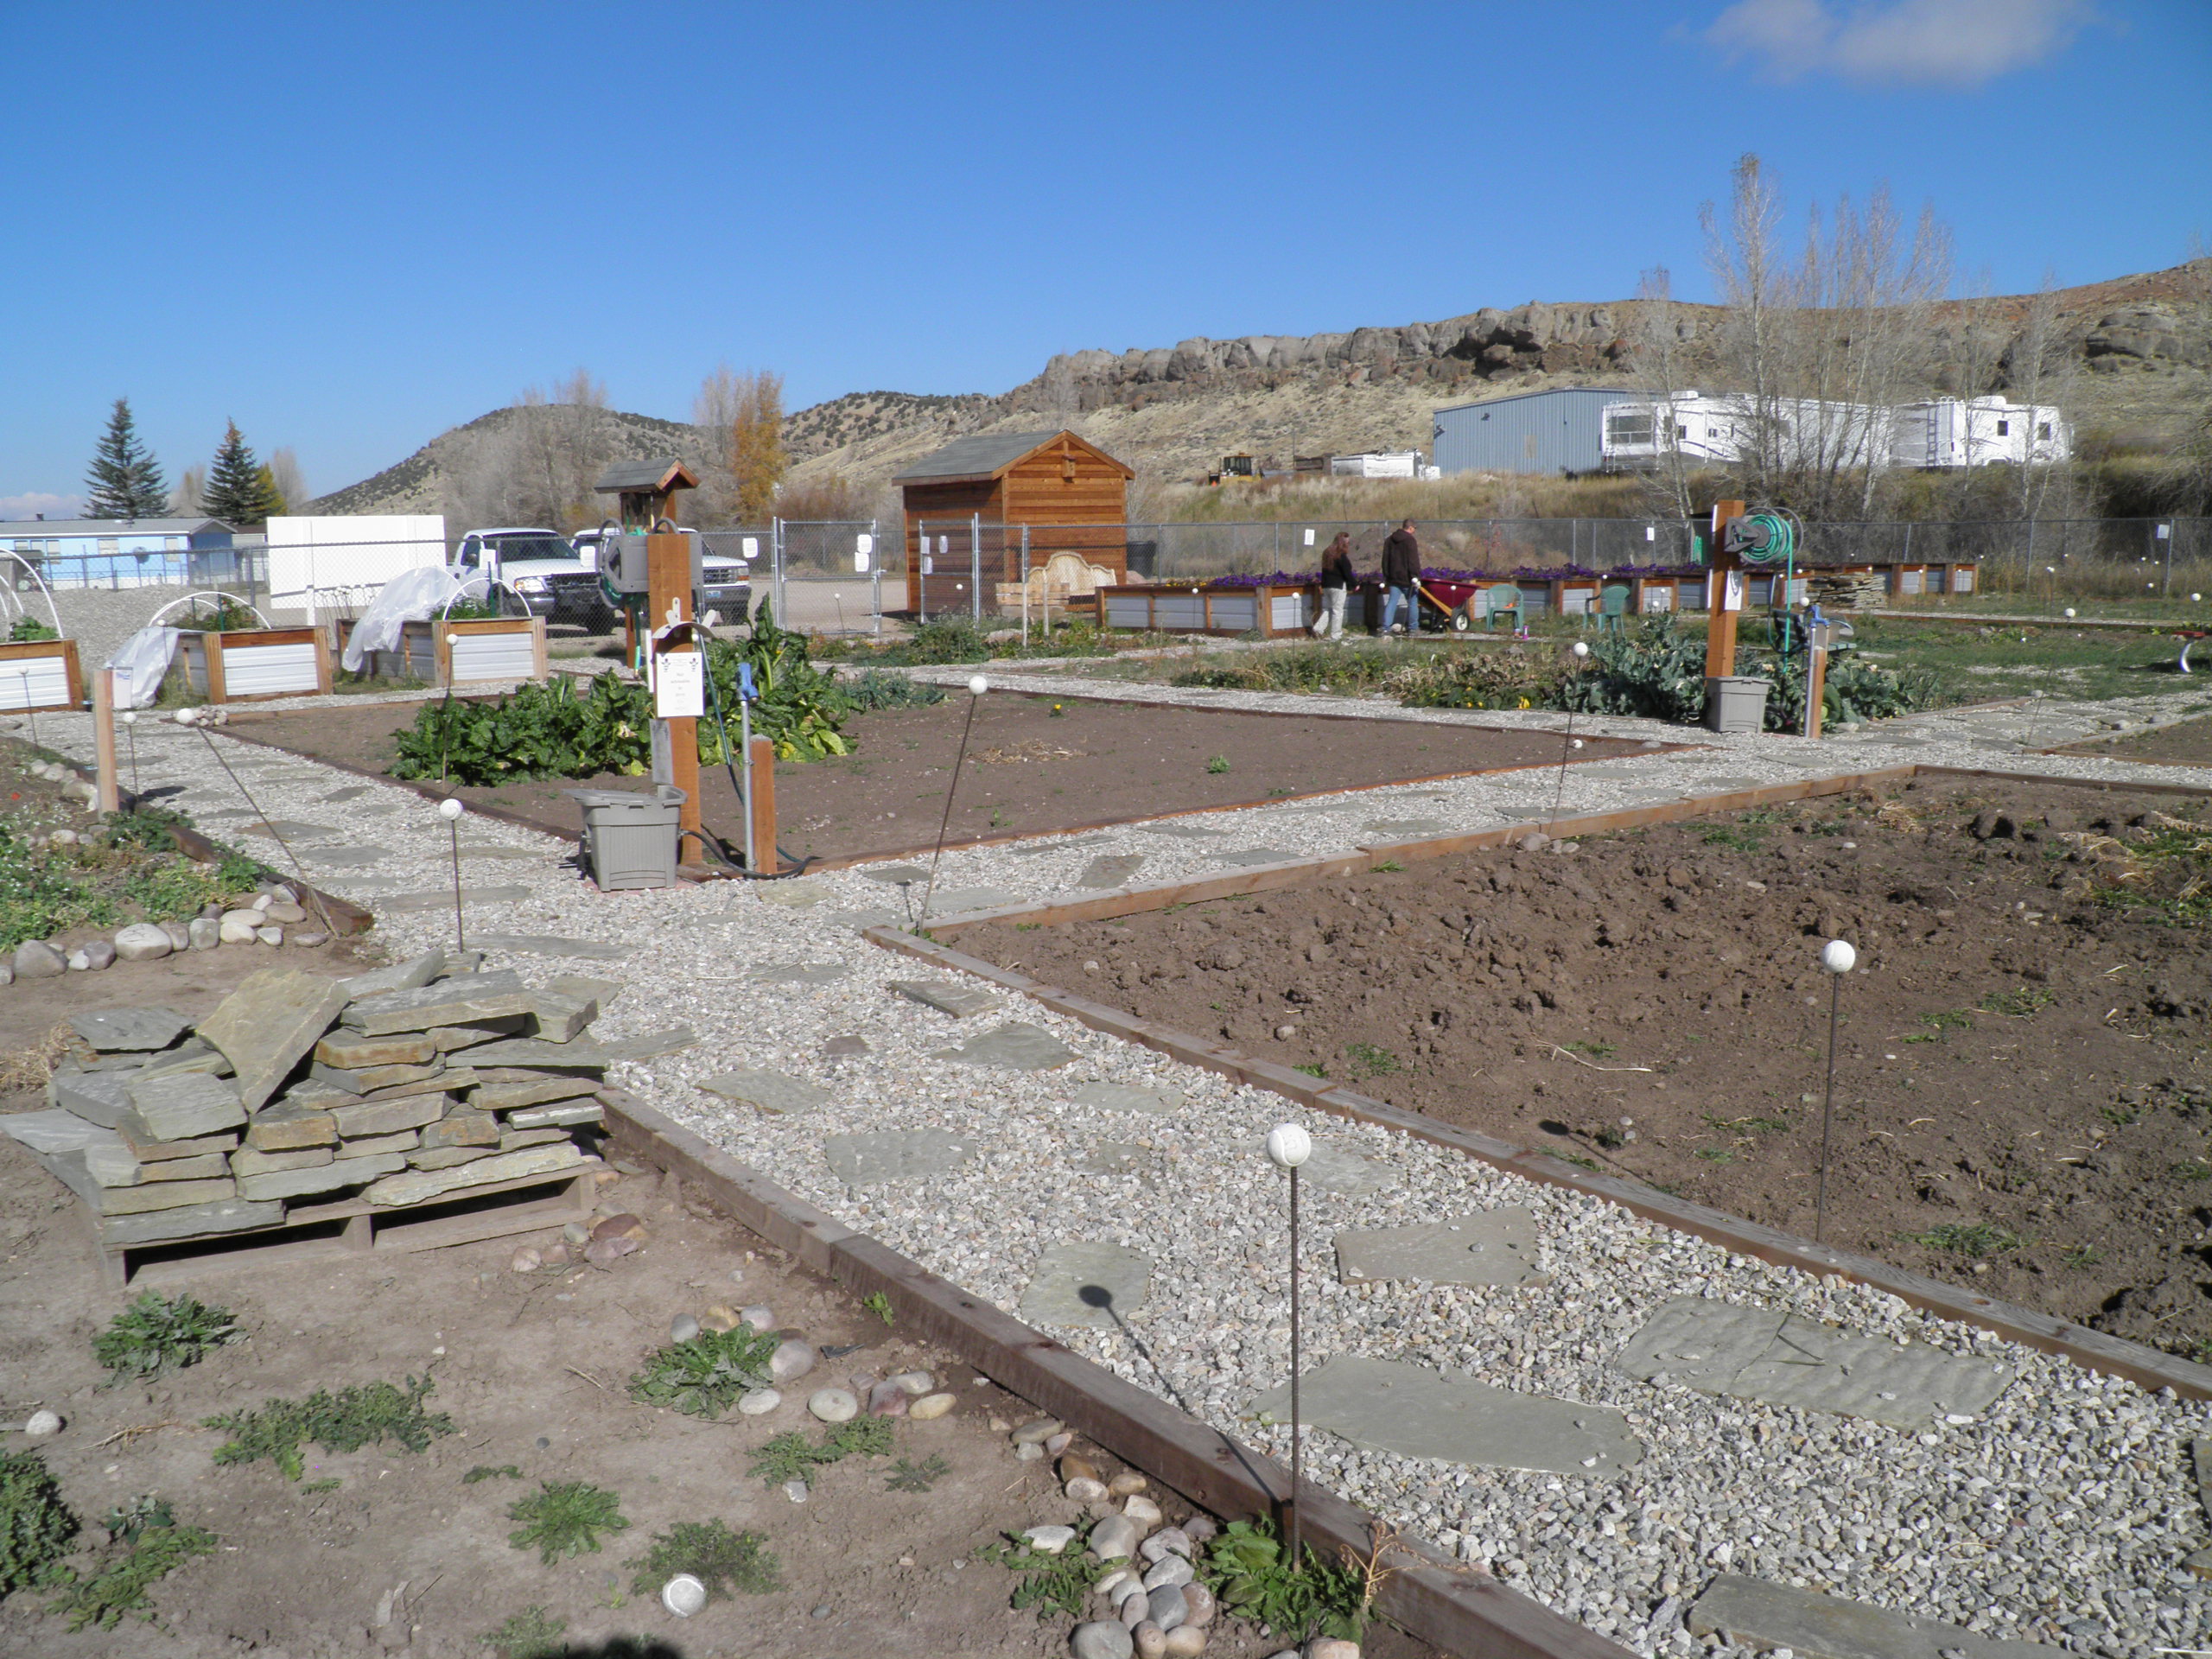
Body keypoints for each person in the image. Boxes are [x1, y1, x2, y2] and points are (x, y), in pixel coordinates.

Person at [1380, 519, 1421, 635]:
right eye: (1414, 529)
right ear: (1411, 528)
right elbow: (1413, 560)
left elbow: (1385, 560)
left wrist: (1386, 576)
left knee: (1392, 602)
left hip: (1393, 578)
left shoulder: (1389, 540)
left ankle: (1386, 628)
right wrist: (1415, 576)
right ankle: (1413, 629)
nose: (1414, 531)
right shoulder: (1410, 540)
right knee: (1412, 603)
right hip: (1408, 579)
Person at [1310, 531, 1355, 639]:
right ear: (1343, 543)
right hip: (1338, 586)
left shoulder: (1327, 553)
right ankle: (1336, 635)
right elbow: (1347, 572)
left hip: (1326, 585)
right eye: (1347, 542)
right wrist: (1354, 584)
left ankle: (1318, 629)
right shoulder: (1341, 555)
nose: (1348, 544)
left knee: (1328, 609)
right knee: (1337, 611)